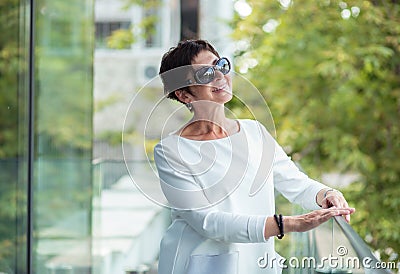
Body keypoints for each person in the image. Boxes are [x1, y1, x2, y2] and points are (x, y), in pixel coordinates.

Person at [153, 39, 355, 274]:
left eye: (220, 65)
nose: (219, 76)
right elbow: (207, 222)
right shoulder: (171, 151)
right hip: (199, 265)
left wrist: (327, 193)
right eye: (206, 73)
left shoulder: (254, 132)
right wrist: (288, 224)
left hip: (256, 262)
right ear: (184, 94)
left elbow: (294, 182)